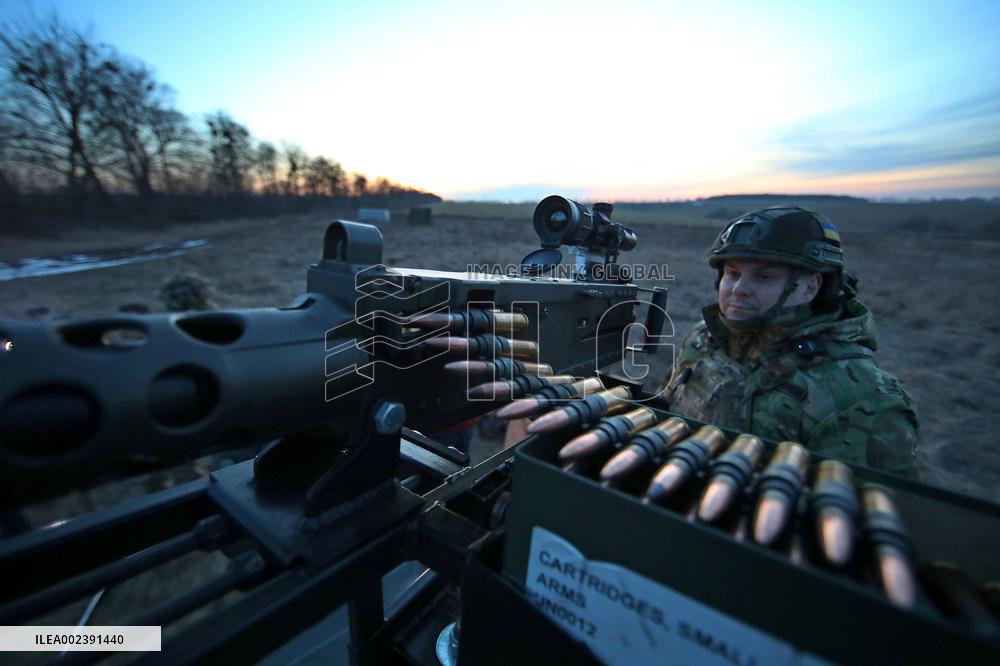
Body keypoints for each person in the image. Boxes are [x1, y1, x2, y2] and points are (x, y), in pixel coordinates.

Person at [663, 206, 919, 477]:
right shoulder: (702, 339)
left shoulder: (863, 399)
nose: (738, 290)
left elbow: (864, 510)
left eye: (763, 277)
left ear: (810, 287)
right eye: (733, 273)